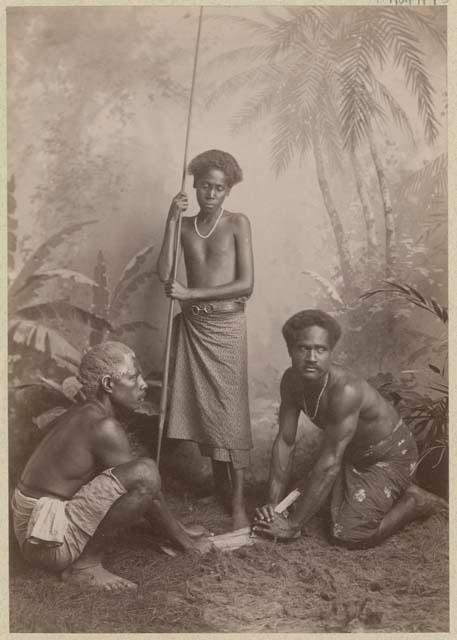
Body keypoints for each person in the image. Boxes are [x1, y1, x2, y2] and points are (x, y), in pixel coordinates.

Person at [11, 341, 211, 592]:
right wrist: (188, 545)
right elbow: (147, 491)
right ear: (108, 384)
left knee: (140, 473)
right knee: (145, 473)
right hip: (48, 541)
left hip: (31, 529)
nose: (143, 385)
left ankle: (178, 535)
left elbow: (138, 491)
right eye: (134, 378)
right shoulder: (104, 427)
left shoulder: (83, 412)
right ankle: (85, 568)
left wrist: (182, 531)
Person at [253, 309, 447, 548]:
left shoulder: (345, 390)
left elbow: (330, 461)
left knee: (349, 533)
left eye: (320, 349)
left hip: (388, 457)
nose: (312, 357)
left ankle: (415, 500)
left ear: (330, 353)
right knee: (288, 505)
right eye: (304, 348)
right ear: (290, 350)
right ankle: (351, 490)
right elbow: (285, 441)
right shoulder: (290, 381)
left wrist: (294, 526)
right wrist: (273, 505)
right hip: (348, 454)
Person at [157, 149, 254, 529]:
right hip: (193, 329)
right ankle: (218, 485)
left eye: (219, 188)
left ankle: (239, 501)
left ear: (228, 191)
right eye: (205, 187)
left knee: (232, 412)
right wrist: (170, 219)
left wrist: (191, 295)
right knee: (204, 410)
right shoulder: (184, 226)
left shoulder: (237, 223)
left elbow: (246, 284)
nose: (211, 194)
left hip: (227, 327)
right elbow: (164, 273)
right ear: (195, 187)